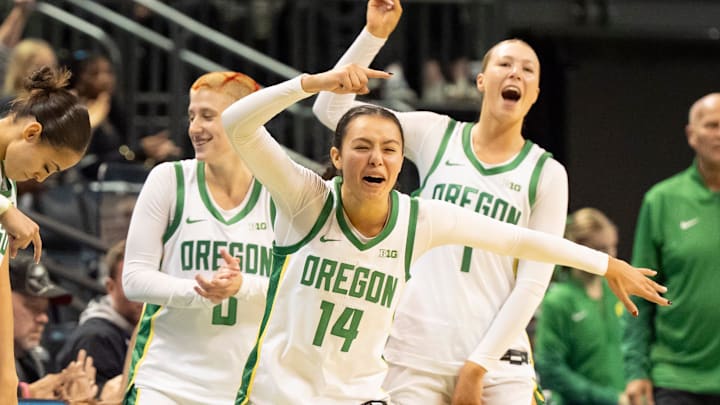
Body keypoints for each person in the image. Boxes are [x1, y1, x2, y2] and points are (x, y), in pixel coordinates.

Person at [220, 63, 669, 404]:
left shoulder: (420, 219)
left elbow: (515, 239)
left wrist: (605, 263)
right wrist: (312, 83)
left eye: (390, 149)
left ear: (401, 162)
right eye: (362, 147)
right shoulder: (306, 199)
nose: (377, 158)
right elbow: (237, 124)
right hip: (278, 393)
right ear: (337, 157)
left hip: (360, 394)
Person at [313, 1, 567, 403]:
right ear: (480, 80)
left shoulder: (547, 173)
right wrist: (374, 35)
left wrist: (478, 365)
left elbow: (534, 281)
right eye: (504, 64)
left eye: (527, 69)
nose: (515, 72)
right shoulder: (436, 133)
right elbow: (330, 109)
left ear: (535, 93)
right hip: (416, 348)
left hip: (499, 359)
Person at [121, 71, 275, 405]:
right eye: (192, 116)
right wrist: (200, 291)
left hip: (246, 387)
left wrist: (240, 286)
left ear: (244, 120)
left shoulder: (279, 193)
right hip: (165, 381)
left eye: (208, 116)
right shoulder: (169, 179)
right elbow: (133, 279)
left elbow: (293, 287)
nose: (194, 128)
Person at [0, 65, 92, 405]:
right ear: (32, 133)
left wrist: (6, 375)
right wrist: (5, 210)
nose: (39, 179)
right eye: (47, 167)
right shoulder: (6, 204)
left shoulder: (8, 187)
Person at [623, 93, 720, 405]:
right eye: (712, 125)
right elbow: (640, 291)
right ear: (692, 135)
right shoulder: (661, 201)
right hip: (677, 379)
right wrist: (636, 370)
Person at [534, 208, 628, 405]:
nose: (611, 257)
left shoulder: (617, 292)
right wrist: (608, 398)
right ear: (577, 248)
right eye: (601, 250)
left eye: (613, 247)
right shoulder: (558, 301)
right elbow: (550, 368)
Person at [56, 240, 143, 392]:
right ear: (110, 287)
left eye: (147, 285)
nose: (143, 296)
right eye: (132, 285)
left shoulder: (139, 330)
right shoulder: (96, 338)